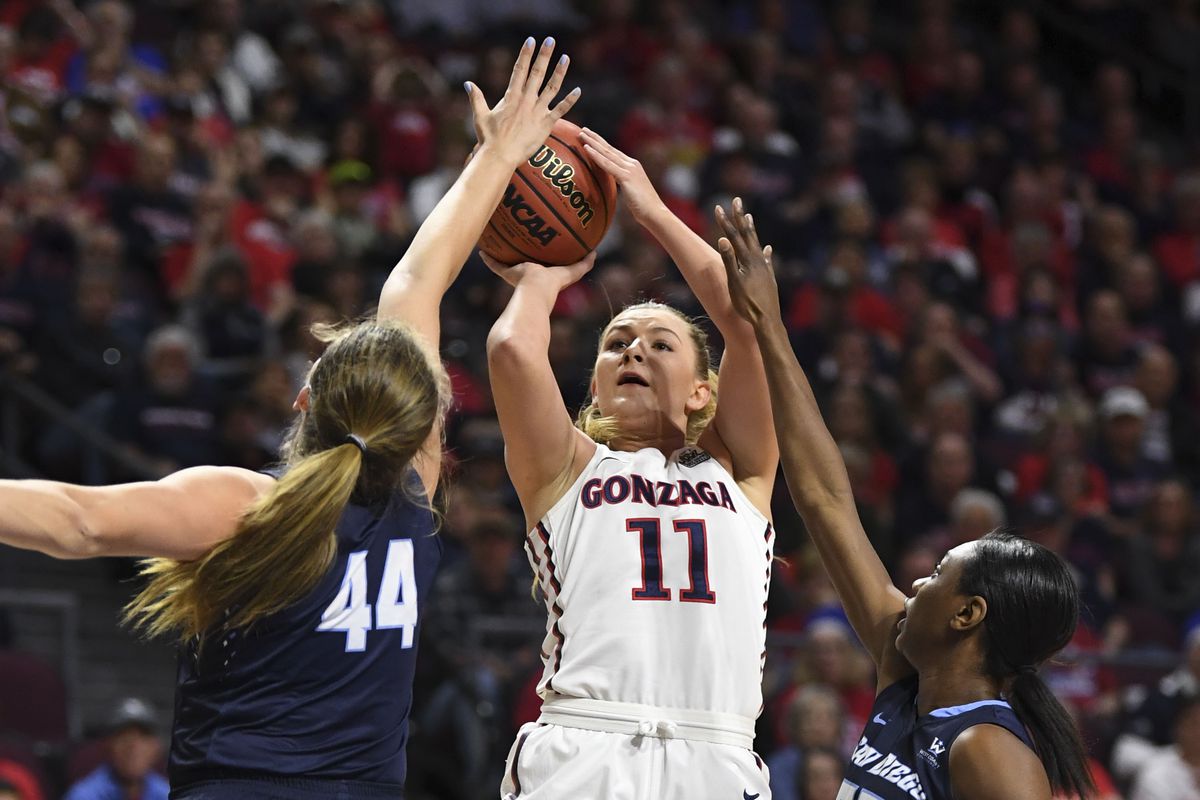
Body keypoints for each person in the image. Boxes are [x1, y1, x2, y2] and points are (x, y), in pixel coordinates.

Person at [0, 36, 580, 799]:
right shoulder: (416, 499)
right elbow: (415, 288)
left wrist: (496, 155)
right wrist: (506, 182)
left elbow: (79, 521)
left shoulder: (250, 507)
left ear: (304, 399)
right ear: (427, 428)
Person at [715, 199, 1094, 799]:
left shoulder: (990, 750)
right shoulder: (908, 680)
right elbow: (825, 501)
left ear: (967, 614)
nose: (917, 583)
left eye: (941, 574)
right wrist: (769, 328)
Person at [485, 133, 779, 797]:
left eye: (659, 343)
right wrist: (542, 277)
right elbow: (510, 349)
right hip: (587, 742)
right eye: (616, 343)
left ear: (703, 389)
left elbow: (751, 324)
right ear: (594, 384)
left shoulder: (741, 473)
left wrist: (650, 210)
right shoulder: (564, 466)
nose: (633, 352)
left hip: (716, 752)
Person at [63, 697, 169, 800]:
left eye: (143, 737)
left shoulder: (166, 793)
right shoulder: (83, 796)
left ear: (156, 747)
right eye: (124, 737)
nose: (133, 747)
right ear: (108, 745)